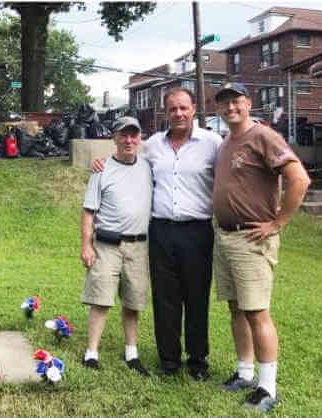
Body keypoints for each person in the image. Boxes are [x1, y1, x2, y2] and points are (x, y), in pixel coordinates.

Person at [92, 88, 222, 380]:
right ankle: (169, 361)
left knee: (197, 298)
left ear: (193, 109)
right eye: (173, 108)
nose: (178, 113)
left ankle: (198, 361)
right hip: (161, 230)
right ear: (166, 112)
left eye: (183, 108)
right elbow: (125, 153)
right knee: (165, 298)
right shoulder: (152, 145)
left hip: (197, 231)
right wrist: (99, 162)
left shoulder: (213, 143)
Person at [212, 83, 310, 412]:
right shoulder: (227, 141)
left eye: (236, 101)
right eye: (224, 103)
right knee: (236, 309)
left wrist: (278, 222)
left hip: (252, 239)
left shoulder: (263, 136)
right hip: (226, 236)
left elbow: (300, 178)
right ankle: (244, 372)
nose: (230, 108)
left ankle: (267, 388)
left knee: (257, 312)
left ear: (248, 103)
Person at [80, 116, 152, 376]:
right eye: (124, 135)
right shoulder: (101, 170)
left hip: (138, 247)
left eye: (134, 135)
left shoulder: (147, 167)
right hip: (107, 245)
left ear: (140, 138)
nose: (129, 140)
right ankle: (91, 353)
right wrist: (86, 246)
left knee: (133, 302)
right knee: (101, 300)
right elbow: (88, 211)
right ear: (114, 138)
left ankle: (131, 353)